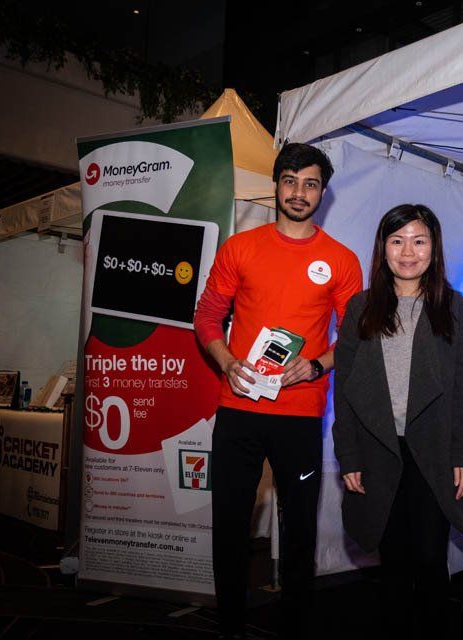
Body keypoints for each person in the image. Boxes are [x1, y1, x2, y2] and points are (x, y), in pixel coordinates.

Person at [193, 143, 362, 639]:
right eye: (290, 180)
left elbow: (355, 338)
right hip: (239, 407)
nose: (298, 192)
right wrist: (225, 361)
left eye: (310, 183)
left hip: (300, 414)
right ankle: (230, 626)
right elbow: (206, 317)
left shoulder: (340, 260)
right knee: (229, 525)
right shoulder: (241, 248)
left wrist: (314, 366)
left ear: (323, 193)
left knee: (300, 530)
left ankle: (296, 625)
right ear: (276, 185)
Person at [332, 204, 463, 637]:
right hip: (379, 454)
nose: (408, 252)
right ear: (383, 248)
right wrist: (349, 457)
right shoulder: (360, 308)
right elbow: (344, 392)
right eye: (397, 241)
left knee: (431, 562)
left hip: (433, 454)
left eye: (419, 240)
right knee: (392, 564)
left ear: (434, 248)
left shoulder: (453, 308)